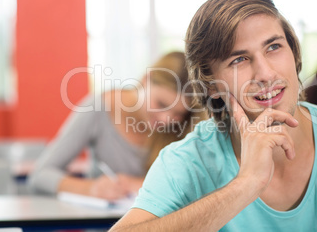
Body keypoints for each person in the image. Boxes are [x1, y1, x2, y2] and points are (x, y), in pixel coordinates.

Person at [109, 0, 317, 231]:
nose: (265, 73)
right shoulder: (186, 163)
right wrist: (246, 185)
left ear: (294, 53)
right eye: (239, 60)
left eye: (273, 47)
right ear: (211, 86)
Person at [28, 51, 206, 200]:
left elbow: (199, 183)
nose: (167, 120)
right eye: (160, 104)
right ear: (146, 79)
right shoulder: (98, 108)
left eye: (178, 114)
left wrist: (139, 184)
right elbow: (40, 175)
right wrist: (91, 189)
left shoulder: (187, 123)